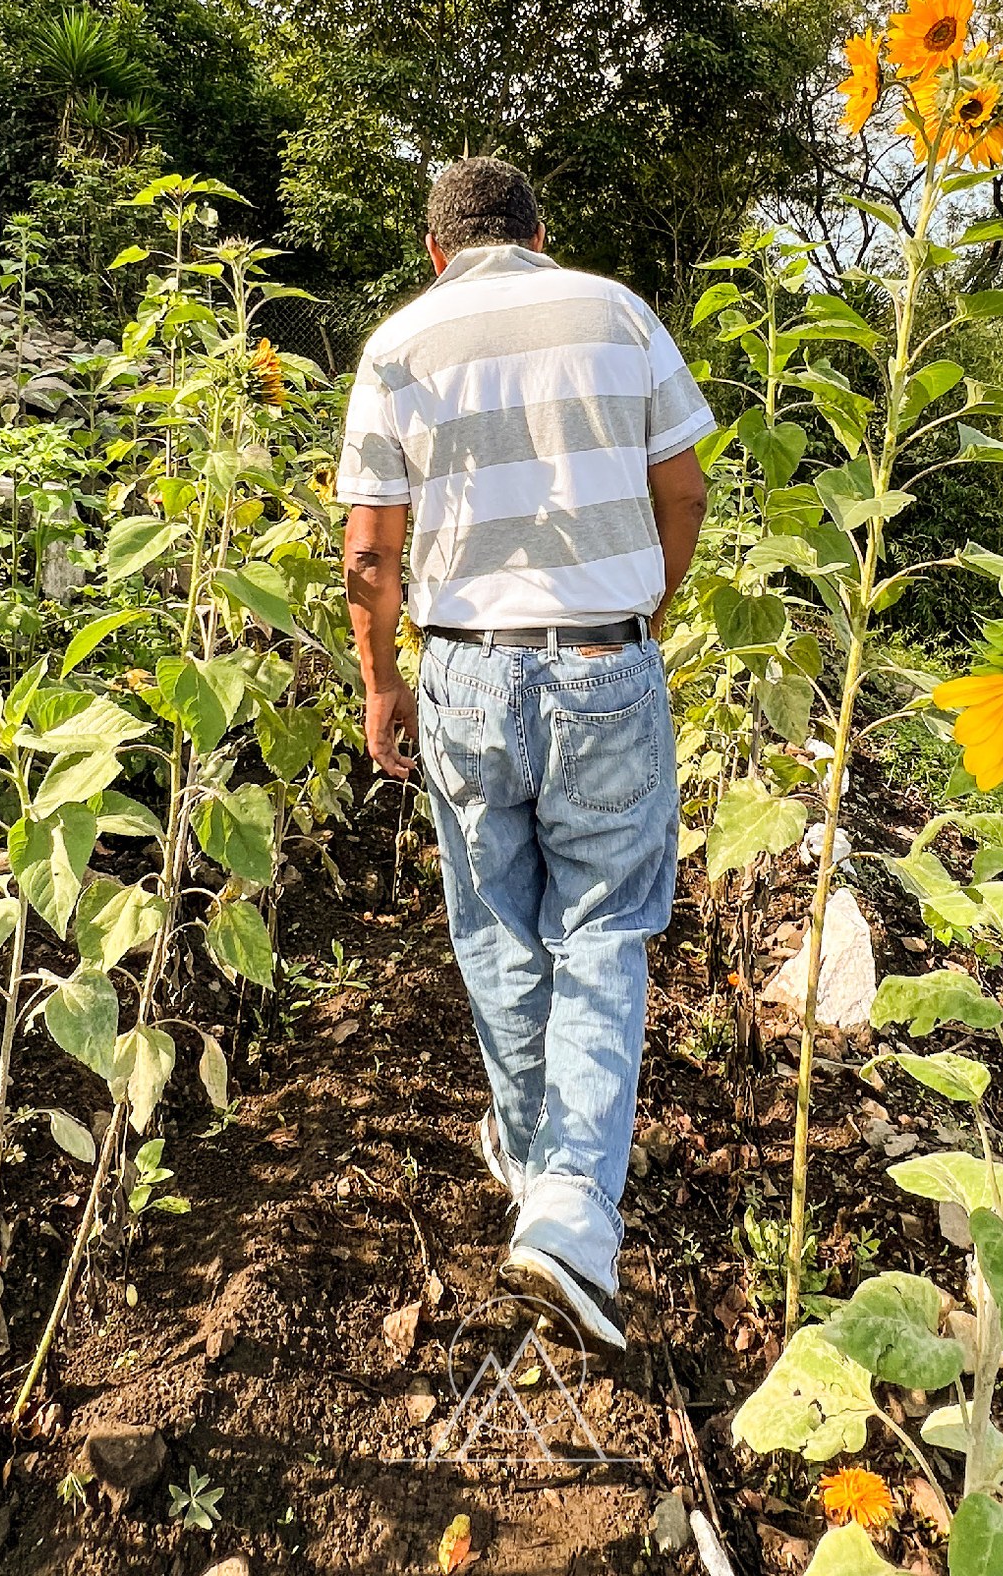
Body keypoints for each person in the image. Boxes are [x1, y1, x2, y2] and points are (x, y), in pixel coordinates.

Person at [337, 156, 712, 1352]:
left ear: (437, 251)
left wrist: (380, 680)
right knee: (603, 924)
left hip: (462, 667)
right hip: (603, 653)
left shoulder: (400, 339)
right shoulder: (619, 312)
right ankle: (568, 1211)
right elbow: (684, 487)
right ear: (540, 234)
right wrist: (645, 610)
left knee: (495, 920)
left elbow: (366, 551)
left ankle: (536, 1154)